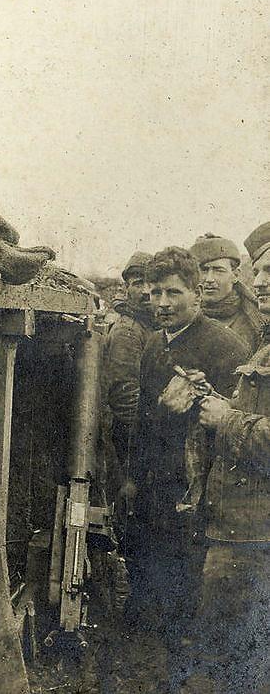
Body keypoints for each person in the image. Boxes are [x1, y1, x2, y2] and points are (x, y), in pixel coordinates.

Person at [130, 247, 249, 689]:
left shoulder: (224, 346)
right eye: (155, 293)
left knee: (190, 604)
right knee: (158, 600)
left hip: (200, 501)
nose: (161, 303)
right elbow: (143, 420)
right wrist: (131, 480)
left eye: (173, 293)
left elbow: (237, 426)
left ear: (196, 294)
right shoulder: (155, 345)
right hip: (157, 493)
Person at [182, 222, 270, 694]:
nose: (261, 283)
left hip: (256, 537)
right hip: (240, 528)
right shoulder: (266, 342)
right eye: (259, 272)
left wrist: (227, 420)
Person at [104, 251, 155, 488]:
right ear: (127, 289)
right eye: (137, 284)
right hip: (134, 439)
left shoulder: (148, 323)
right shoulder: (128, 331)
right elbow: (125, 399)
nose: (145, 291)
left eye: (150, 282)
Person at [190, 233, 262, 352]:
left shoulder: (255, 322)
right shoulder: (182, 319)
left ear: (235, 275)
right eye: (203, 270)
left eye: (218, 271)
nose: (209, 279)